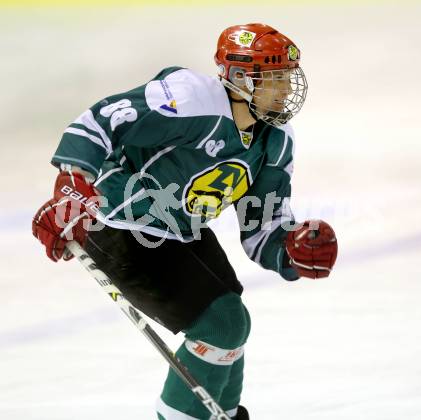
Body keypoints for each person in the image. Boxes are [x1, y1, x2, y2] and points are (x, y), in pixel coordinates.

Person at [32, 23, 338, 420]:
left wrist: (291, 249)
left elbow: (262, 225)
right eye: (275, 78)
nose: (286, 89)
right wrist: (72, 181)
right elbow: (101, 119)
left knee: (232, 326)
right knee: (220, 325)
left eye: (287, 77)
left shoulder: (276, 140)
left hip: (179, 228)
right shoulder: (192, 98)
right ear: (242, 78)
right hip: (120, 220)